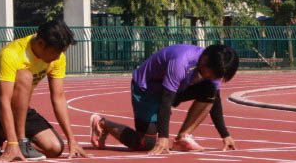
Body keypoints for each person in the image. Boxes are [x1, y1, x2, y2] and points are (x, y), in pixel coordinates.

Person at [90, 43, 239, 155]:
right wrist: (163, 137)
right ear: (205, 60)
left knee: (210, 91)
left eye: (217, 76)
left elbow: (215, 100)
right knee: (146, 143)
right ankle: (103, 124)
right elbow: (166, 101)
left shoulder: (213, 71)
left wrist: (225, 135)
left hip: (174, 89)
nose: (212, 78)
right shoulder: (181, 61)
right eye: (212, 74)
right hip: (146, 89)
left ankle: (183, 137)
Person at [0, 19, 86, 163]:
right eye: (55, 52)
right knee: (25, 76)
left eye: (62, 52)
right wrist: (13, 143)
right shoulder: (11, 54)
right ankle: (21, 142)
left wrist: (71, 139)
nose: (58, 56)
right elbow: (3, 99)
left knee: (54, 148)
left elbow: (59, 98)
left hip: (18, 105)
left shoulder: (58, 58)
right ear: (41, 43)